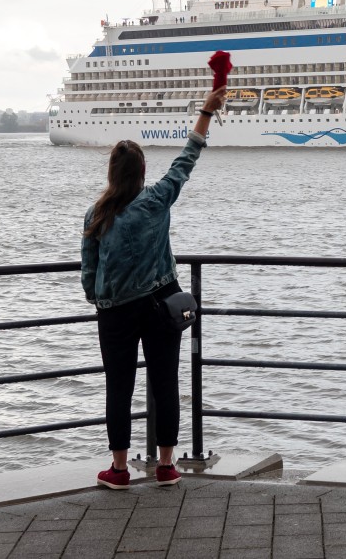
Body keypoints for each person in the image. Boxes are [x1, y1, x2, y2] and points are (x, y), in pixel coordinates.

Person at [80, 87, 226, 489]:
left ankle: (120, 469)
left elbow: (88, 272)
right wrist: (206, 112)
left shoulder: (97, 213)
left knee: (119, 389)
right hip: (162, 305)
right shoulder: (157, 200)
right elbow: (187, 158)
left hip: (116, 314)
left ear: (112, 173)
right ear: (143, 172)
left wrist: (102, 300)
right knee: (166, 384)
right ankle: (166, 466)